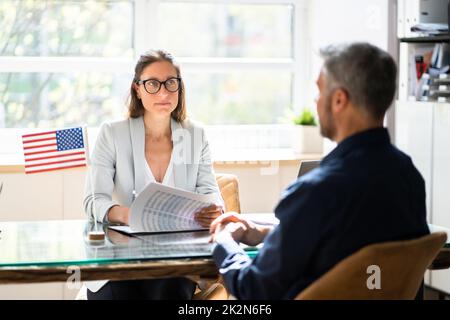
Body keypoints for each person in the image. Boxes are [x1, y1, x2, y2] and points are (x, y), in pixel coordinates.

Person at [209, 42, 430, 300]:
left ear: (339, 100)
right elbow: (344, 244)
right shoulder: (408, 176)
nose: (315, 102)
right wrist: (262, 233)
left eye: (319, 91)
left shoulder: (317, 191)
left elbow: (254, 289)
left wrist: (223, 241)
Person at [83, 49, 223, 299]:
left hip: (175, 264)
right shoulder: (113, 134)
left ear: (180, 87)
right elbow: (94, 201)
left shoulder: (193, 135)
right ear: (137, 88)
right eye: (152, 84)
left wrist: (214, 207)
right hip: (120, 263)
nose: (163, 92)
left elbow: (210, 190)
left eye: (171, 83)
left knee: (172, 287)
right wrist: (128, 214)